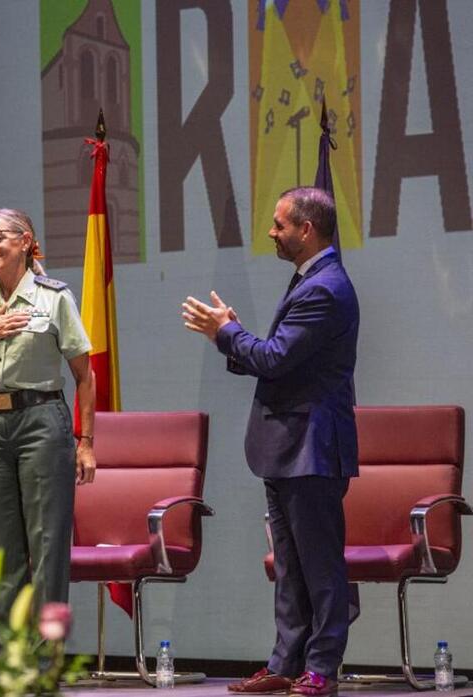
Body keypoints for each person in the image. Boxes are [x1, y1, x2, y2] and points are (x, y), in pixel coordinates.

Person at [182, 187, 358, 697]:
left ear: (306, 229)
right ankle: (285, 663)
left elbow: (276, 358)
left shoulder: (325, 288)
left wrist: (226, 333)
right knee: (290, 567)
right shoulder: (308, 280)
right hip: (287, 447)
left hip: (312, 446)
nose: (271, 232)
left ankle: (322, 669)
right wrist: (233, 335)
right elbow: (280, 359)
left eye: (280, 224)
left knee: (320, 567)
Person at [0, 208, 96, 618]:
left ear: (25, 241)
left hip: (42, 420)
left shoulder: (54, 297)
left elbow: (84, 374)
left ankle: (45, 658)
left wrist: (87, 442)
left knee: (47, 541)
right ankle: (8, 659)